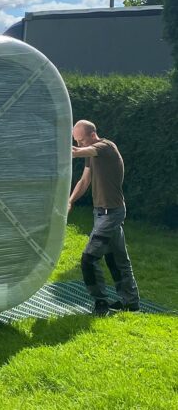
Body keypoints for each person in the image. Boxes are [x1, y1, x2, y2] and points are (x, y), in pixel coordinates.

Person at [69, 120, 140, 316]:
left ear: (92, 135)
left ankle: (101, 302)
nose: (80, 144)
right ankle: (131, 303)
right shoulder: (91, 153)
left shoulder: (106, 147)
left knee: (88, 259)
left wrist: (60, 147)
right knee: (117, 259)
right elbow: (84, 181)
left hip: (112, 214)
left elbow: (78, 152)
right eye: (77, 141)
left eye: (81, 140)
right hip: (100, 213)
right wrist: (70, 201)